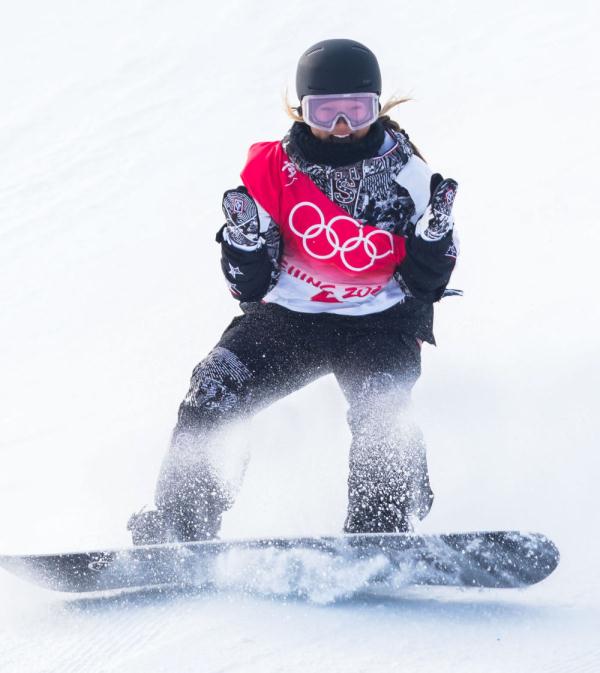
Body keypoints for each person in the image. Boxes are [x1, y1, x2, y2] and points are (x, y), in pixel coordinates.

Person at [127, 38, 459, 544]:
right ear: (302, 110)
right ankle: (183, 523)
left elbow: (426, 285)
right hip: (290, 318)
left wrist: (433, 243)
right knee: (214, 389)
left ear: (378, 105)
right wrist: (242, 244)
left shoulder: (411, 177)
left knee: (383, 410)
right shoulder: (271, 172)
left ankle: (381, 527)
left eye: (357, 110)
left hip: (382, 322)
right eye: (326, 112)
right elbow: (249, 288)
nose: (342, 126)